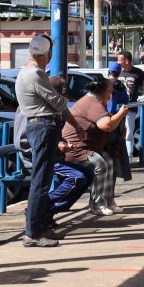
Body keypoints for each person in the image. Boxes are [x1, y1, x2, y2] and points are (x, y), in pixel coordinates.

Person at [14, 34, 78, 247]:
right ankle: (33, 232)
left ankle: (41, 227)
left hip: (40, 126)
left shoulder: (27, 72)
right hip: (43, 127)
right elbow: (57, 102)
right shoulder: (35, 74)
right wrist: (75, 123)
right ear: (47, 54)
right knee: (40, 182)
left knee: (42, 181)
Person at [62, 75, 129, 215]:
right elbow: (107, 125)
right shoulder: (92, 103)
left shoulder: (96, 101)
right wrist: (121, 114)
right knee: (100, 164)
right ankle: (96, 204)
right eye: (110, 91)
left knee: (109, 162)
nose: (112, 94)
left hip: (87, 148)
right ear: (103, 91)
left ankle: (108, 201)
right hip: (76, 149)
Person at [46, 75, 94, 216]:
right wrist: (57, 145)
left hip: (55, 156)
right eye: (61, 96)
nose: (64, 100)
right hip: (43, 159)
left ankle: (54, 210)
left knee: (88, 174)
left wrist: (63, 143)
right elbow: (32, 140)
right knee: (76, 177)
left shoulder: (55, 109)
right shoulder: (39, 110)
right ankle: (43, 205)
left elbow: (53, 135)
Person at [105, 63, 133, 180]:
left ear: (109, 71)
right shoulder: (121, 86)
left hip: (103, 123)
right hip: (117, 124)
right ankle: (111, 186)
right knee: (115, 156)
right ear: (118, 73)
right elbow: (126, 104)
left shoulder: (103, 84)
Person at [117, 52, 144, 161]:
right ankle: (119, 157)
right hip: (117, 108)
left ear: (127, 61)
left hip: (130, 108)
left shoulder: (138, 73)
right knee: (118, 132)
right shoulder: (117, 72)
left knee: (129, 132)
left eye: (120, 60)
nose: (118, 62)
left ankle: (128, 156)